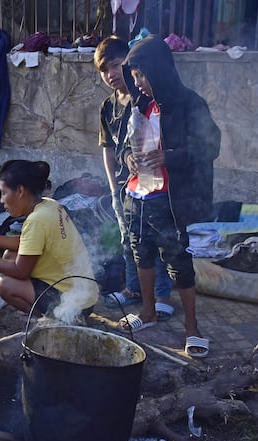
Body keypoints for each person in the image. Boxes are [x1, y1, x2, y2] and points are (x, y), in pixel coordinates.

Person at [118, 35, 221, 358]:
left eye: (142, 76)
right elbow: (124, 149)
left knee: (178, 262)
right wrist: (128, 160)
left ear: (159, 71)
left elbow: (210, 148)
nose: (139, 83)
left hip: (170, 197)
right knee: (141, 253)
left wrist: (168, 157)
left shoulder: (191, 104)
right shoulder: (139, 106)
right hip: (138, 195)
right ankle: (148, 312)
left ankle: (192, 327)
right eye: (134, 77)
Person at [95, 35, 175, 321]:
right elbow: (107, 148)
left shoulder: (144, 100)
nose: (111, 75)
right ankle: (133, 290)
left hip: (151, 185)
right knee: (129, 240)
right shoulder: (107, 106)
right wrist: (113, 186)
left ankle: (162, 295)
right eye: (104, 70)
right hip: (123, 187)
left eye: (116, 66)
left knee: (159, 241)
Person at [0, 159, 98, 321]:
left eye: (4, 193)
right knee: (9, 255)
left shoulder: (37, 220)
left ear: (20, 191)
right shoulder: (49, 204)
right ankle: (40, 306)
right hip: (85, 295)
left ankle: (45, 321)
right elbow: (26, 242)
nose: (1, 200)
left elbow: (21, 272)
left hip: (73, 305)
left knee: (4, 285)